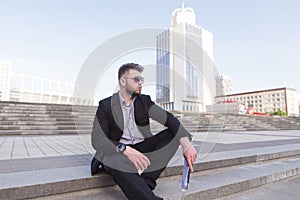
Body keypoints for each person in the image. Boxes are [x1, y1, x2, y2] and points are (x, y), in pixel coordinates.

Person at [91, 63, 197, 200]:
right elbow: (98, 140)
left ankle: (145, 183)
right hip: (116, 152)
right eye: (136, 79)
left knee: (174, 135)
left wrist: (186, 144)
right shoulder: (106, 105)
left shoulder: (144, 101)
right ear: (123, 82)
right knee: (117, 161)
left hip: (142, 148)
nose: (140, 83)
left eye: (142, 80)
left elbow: (170, 120)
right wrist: (126, 150)